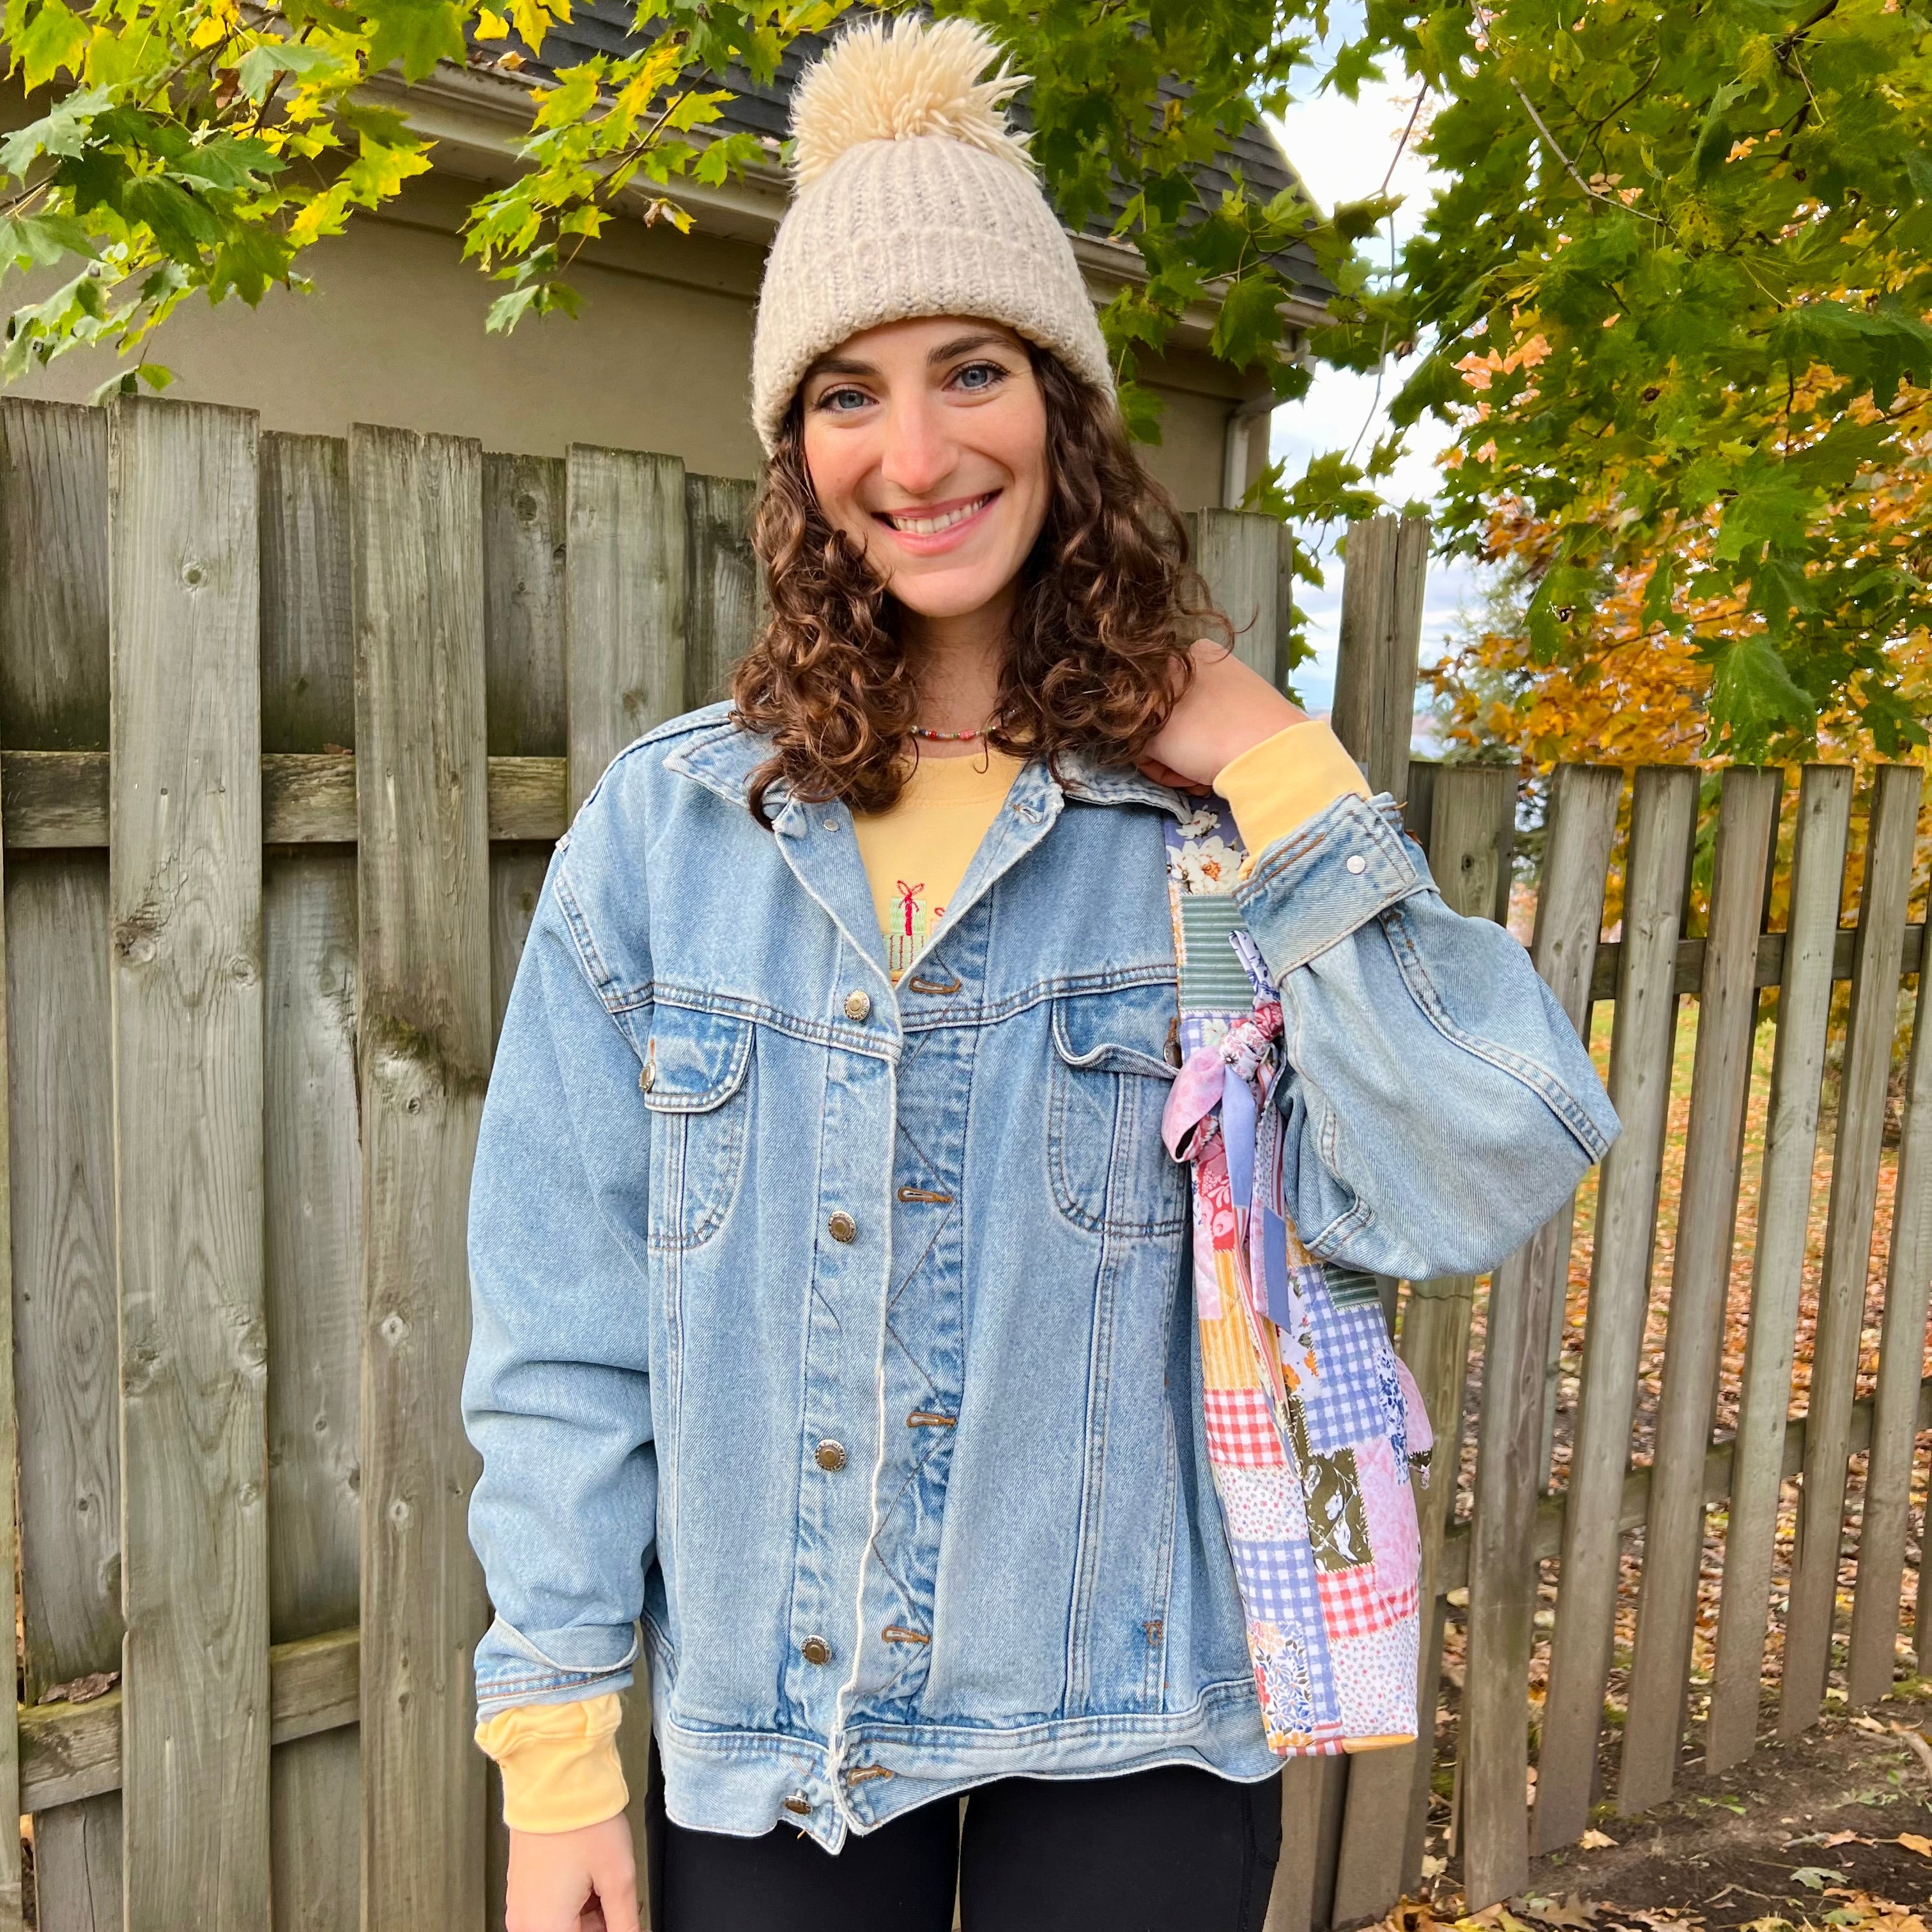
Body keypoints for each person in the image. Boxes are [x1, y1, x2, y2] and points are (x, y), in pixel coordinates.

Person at [460, 19, 1619, 1932]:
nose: (913, 456)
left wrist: (1271, 760)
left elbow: (1469, 1169)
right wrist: (559, 1759)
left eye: (972, 371)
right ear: (794, 448)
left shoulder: (1208, 839)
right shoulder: (670, 839)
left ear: (1064, 407)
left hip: (1140, 1726)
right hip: (780, 1732)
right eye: (849, 393)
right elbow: (561, 1338)